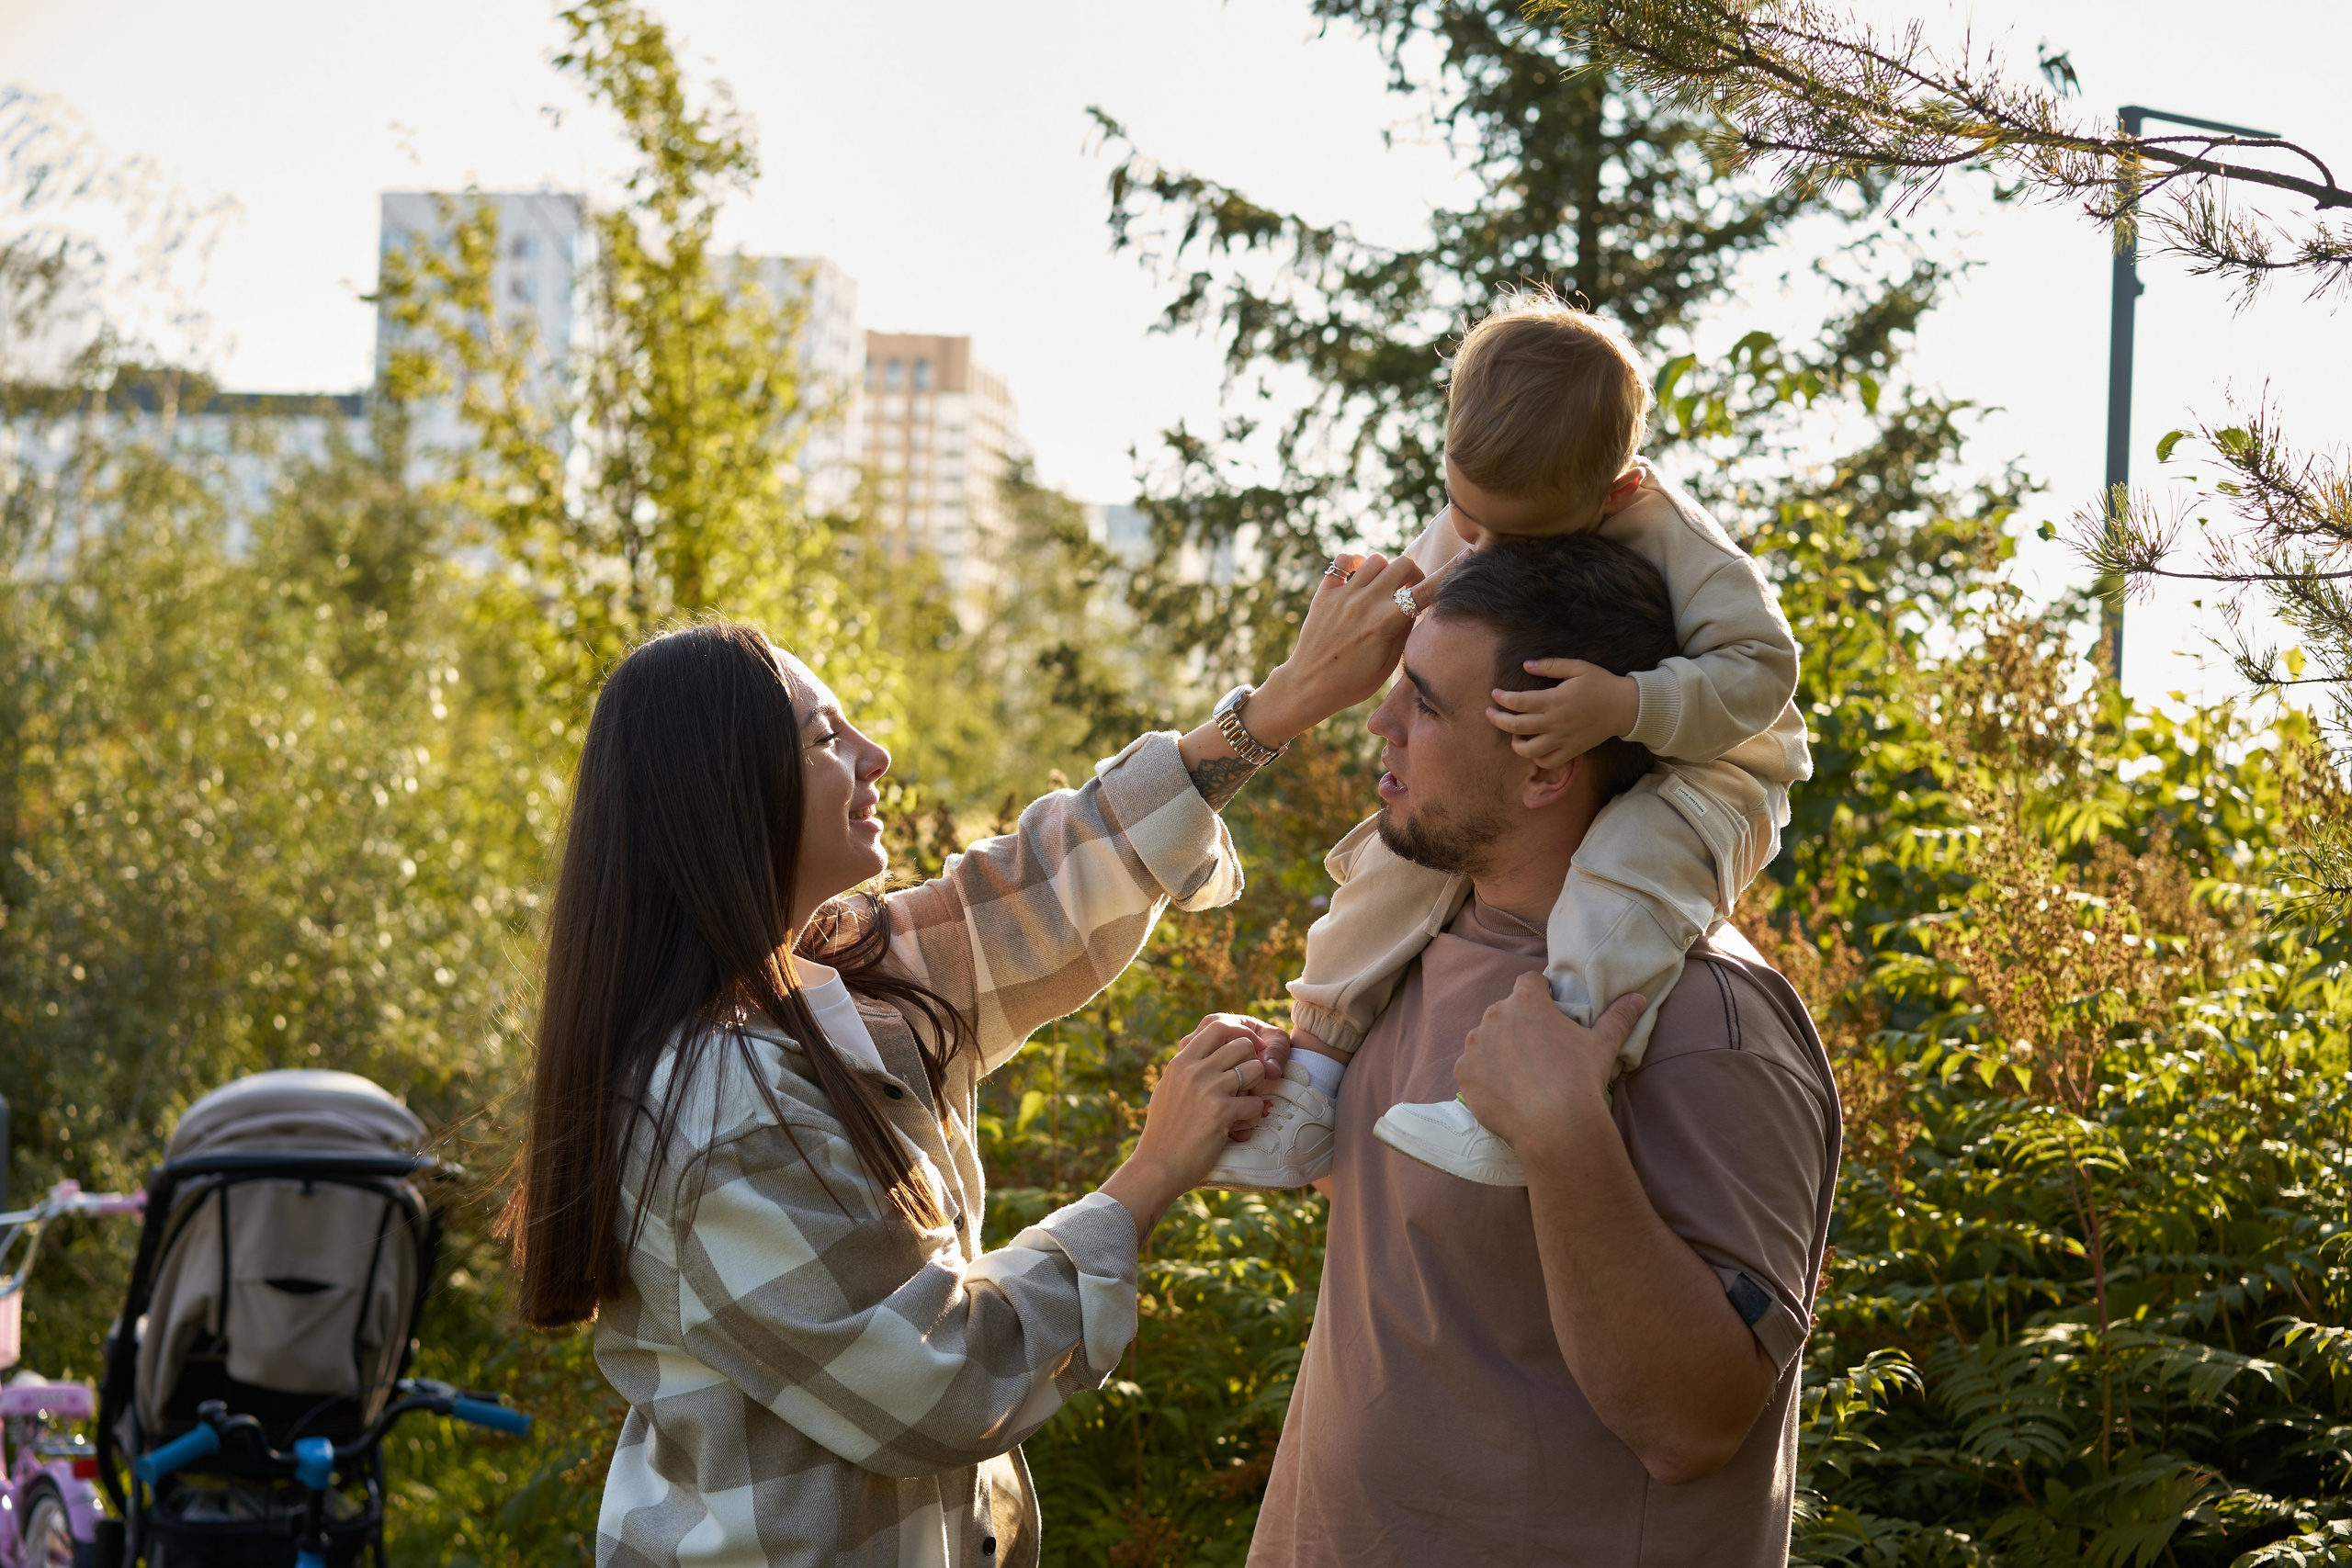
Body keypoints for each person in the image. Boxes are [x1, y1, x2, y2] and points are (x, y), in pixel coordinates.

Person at [501, 556, 1440, 1568]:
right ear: (722, 794)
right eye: (826, 738)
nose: (877, 754)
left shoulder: (827, 985)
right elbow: (941, 1380)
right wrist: (1154, 1170)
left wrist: (1287, 701)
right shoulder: (718, 1114)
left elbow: (1042, 895)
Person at [1246, 535, 1842, 1566]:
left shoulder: (1704, 1022)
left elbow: (1695, 1423)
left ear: (1547, 766)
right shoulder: (1412, 954)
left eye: (1425, 704)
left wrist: (1565, 1138)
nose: (1379, 722)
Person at [1212, 289, 1813, 1191]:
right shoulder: (1489, 504)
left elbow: (1763, 672)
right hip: (1574, 738)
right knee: (1393, 858)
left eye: (1508, 533)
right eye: (1465, 517)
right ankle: (1317, 1069)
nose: (1479, 544)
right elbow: (1435, 602)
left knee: (1629, 869)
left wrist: (1626, 704)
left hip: (1713, 762)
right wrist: (1380, 614)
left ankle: (1556, 1065)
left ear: (1618, 491)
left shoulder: (1673, 534)